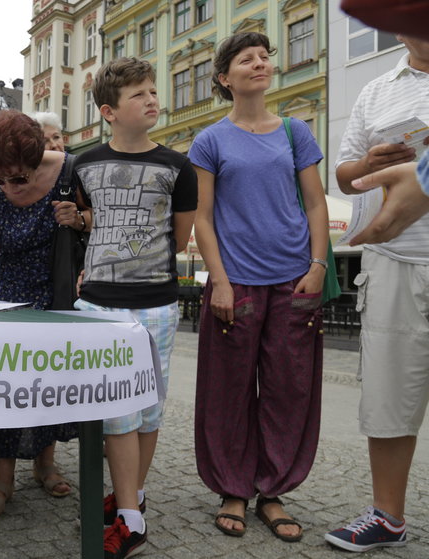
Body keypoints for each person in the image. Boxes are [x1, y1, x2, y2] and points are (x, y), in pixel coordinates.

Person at [189, 32, 328, 543]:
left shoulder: (296, 132)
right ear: (225, 78)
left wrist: (317, 265)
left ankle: (272, 491)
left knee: (289, 390)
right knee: (227, 390)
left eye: (264, 57)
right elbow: (202, 218)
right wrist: (219, 280)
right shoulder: (209, 140)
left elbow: (315, 204)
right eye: (246, 59)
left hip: (293, 281)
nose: (260, 64)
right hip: (237, 284)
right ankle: (232, 489)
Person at [70, 57, 197, 559]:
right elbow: (88, 222)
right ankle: (130, 515)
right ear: (109, 111)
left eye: (152, 90)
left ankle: (132, 500)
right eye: (138, 94)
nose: (152, 99)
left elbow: (182, 236)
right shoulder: (85, 163)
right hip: (100, 303)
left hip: (156, 304)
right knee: (116, 412)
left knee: (147, 410)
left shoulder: (177, 166)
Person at [325, 35, 429, 553]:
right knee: (390, 396)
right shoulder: (377, 90)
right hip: (394, 259)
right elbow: (345, 177)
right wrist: (370, 162)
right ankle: (388, 516)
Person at [0, 109, 80, 518]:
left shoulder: (69, 173)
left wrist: (80, 219)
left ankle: (46, 463)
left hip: (59, 295)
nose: (8, 186)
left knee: (51, 383)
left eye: (18, 178)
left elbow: (98, 227)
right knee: (7, 388)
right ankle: (2, 474)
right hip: (12, 298)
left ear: (37, 157)